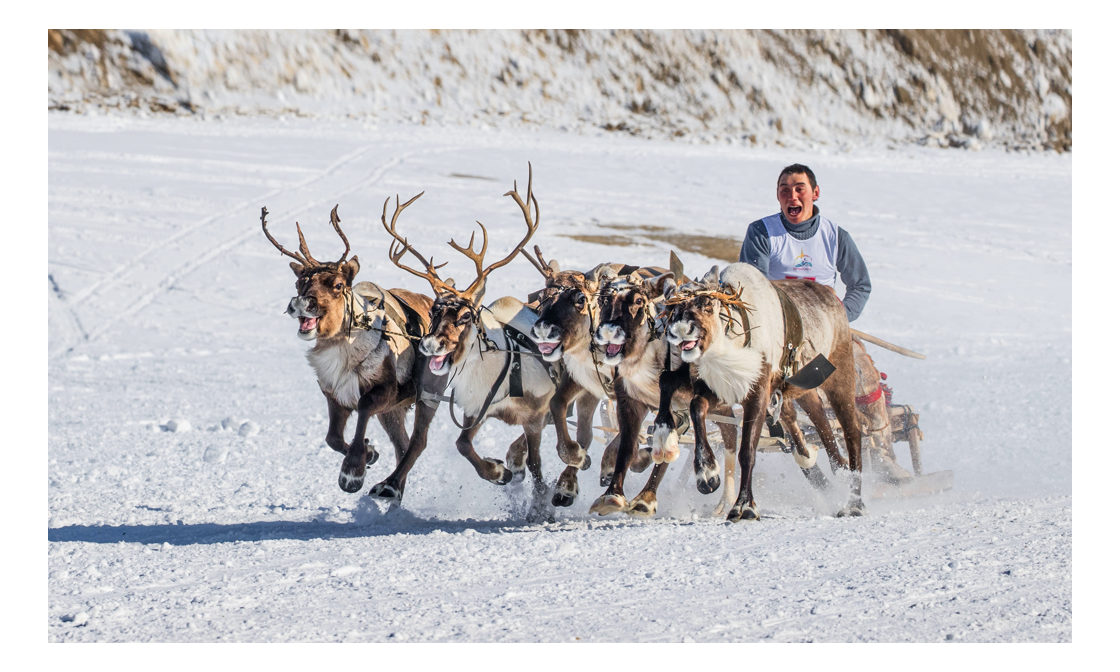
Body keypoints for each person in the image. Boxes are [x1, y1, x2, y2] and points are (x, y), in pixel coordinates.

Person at [740, 163, 912, 483]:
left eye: (799, 188)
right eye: (784, 189)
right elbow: (754, 284)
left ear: (815, 193)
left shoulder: (835, 236)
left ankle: (884, 454)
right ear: (777, 197)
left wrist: (839, 320)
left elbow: (860, 285)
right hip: (778, 331)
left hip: (827, 332)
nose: (792, 195)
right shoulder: (762, 232)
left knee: (863, 371)